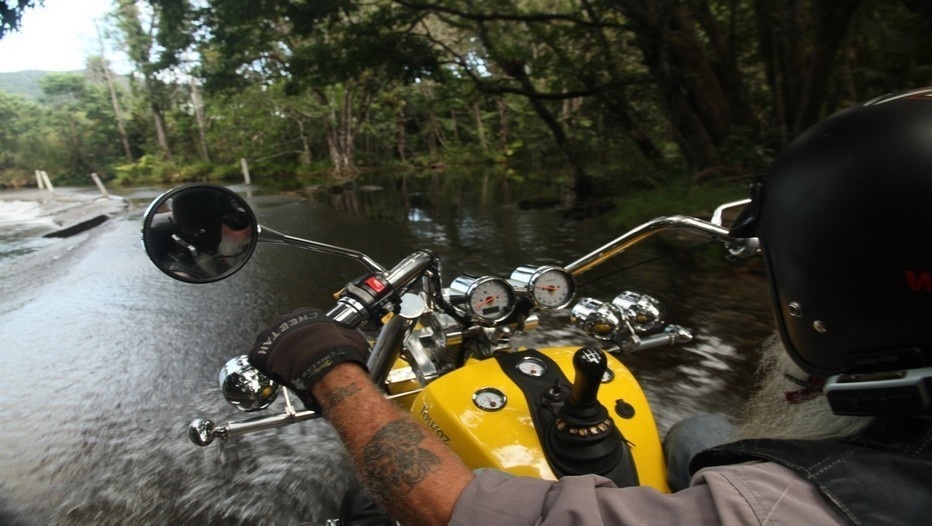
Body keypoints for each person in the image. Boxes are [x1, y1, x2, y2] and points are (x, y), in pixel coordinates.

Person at [248, 88, 932, 525]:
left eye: (777, 276)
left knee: (371, 505)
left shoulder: (781, 508)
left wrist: (332, 372)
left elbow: (450, 508)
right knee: (699, 434)